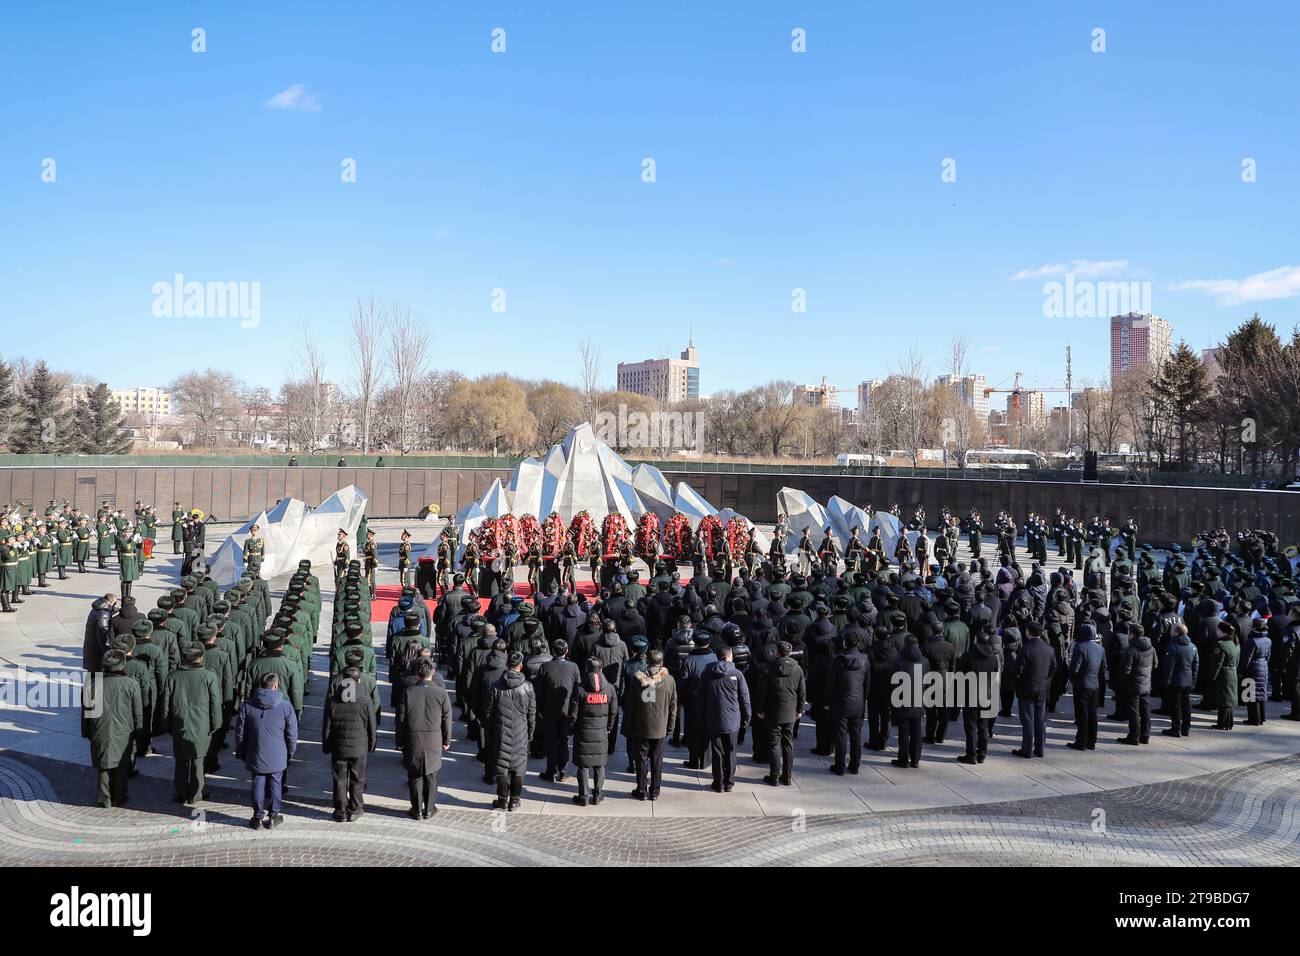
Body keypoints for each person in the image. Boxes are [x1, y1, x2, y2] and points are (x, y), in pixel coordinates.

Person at [233, 672, 299, 830]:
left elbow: (240, 733)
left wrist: (241, 751)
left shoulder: (247, 705)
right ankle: (274, 815)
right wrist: (290, 752)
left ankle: (257, 817)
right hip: (278, 753)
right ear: (276, 686)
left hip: (256, 751)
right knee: (276, 783)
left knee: (257, 782)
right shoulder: (285, 706)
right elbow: (292, 734)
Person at [159, 645, 222, 805]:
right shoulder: (209, 676)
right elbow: (215, 703)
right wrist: (216, 724)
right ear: (200, 658)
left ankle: (181, 793)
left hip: (180, 725)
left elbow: (165, 704)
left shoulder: (172, 676)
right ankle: (196, 794)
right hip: (202, 725)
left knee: (180, 761)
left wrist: (167, 725)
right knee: (198, 761)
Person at [81, 650, 142, 808]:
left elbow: (86, 714)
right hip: (123, 730)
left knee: (103, 765)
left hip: (99, 730)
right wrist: (139, 730)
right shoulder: (131, 684)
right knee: (121, 765)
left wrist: (87, 732)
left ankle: (104, 798)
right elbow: (137, 712)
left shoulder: (92, 685)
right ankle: (119, 796)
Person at [394, 658, 453, 818]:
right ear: (432, 673)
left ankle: (417, 809)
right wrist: (447, 740)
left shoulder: (408, 692)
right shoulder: (441, 693)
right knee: (431, 775)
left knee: (415, 775)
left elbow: (400, 719)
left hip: (413, 738)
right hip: (434, 738)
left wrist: (399, 741)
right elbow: (447, 718)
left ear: (418, 675)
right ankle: (429, 808)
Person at [322, 666, 377, 821]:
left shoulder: (333, 700)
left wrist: (326, 745)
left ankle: (340, 810)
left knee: (339, 779)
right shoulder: (365, 700)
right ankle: (355, 808)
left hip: (339, 746)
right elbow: (372, 725)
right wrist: (372, 744)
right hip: (359, 747)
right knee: (358, 778)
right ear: (358, 679)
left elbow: (327, 725)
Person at [484, 651, 536, 811]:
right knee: (519, 766)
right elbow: (531, 713)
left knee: (502, 765)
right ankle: (514, 799)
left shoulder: (496, 687)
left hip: (501, 730)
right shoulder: (527, 687)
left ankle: (502, 799)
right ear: (520, 666)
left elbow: (488, 713)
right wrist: (530, 733)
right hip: (520, 731)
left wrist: (489, 733)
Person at [624, 649, 677, 800]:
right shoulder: (669, 680)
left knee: (641, 760)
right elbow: (673, 706)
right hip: (660, 727)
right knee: (657, 760)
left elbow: (630, 704)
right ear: (661, 663)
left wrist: (628, 725)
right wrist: (671, 727)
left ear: (647, 662)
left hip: (640, 726)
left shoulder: (637, 679)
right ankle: (655, 791)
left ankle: (641, 790)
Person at [701, 645, 751, 792]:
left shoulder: (707, 674)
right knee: (730, 751)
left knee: (717, 752)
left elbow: (701, 697)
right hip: (733, 720)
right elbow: (745, 697)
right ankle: (729, 782)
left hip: (714, 718)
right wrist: (747, 716)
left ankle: (718, 783)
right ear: (729, 657)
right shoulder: (737, 674)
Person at [568, 658, 617, 805]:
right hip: (601, 733)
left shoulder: (580, 689)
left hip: (583, 733)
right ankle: (597, 795)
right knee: (599, 765)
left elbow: (573, 714)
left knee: (583, 766)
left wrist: (572, 729)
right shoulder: (610, 689)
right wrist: (608, 728)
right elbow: (613, 712)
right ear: (601, 669)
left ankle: (583, 797)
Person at [536, 639, 580, 782]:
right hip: (566, 712)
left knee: (551, 742)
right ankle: (563, 771)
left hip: (549, 711)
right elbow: (577, 691)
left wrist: (540, 709)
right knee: (564, 741)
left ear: (553, 651)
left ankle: (551, 771)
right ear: (566, 651)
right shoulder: (573, 667)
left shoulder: (545, 667)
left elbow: (539, 691)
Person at [1010, 622, 1055, 758]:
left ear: (1028, 632)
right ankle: (1040, 748)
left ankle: (1027, 749)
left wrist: (1018, 680)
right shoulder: (1049, 648)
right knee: (1040, 719)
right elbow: (1053, 667)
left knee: (1028, 719)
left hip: (1027, 687)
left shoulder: (1026, 649)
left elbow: (1018, 670)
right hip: (1042, 687)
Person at [828, 633, 869, 775]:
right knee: (856, 735)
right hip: (858, 701)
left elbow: (831, 684)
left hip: (841, 702)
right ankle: (855, 765)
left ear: (845, 643)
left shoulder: (838, 660)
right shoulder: (865, 660)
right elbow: (866, 683)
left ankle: (839, 766)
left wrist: (828, 701)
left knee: (841, 736)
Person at [1067, 623, 1106, 750]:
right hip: (1094, 684)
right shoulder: (1100, 648)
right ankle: (1091, 741)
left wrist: (1072, 677)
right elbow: (1103, 667)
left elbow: (1074, 668)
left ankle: (1081, 741)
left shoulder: (1080, 647)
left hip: (1081, 685)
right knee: (1092, 714)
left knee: (1082, 714)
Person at [1160, 623, 1199, 737]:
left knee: (1176, 705)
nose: (1170, 632)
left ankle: (1176, 728)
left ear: (1177, 632)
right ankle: (1185, 728)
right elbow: (1195, 666)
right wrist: (1193, 680)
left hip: (1176, 680)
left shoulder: (1172, 646)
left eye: (1172, 630)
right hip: (1188, 680)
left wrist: (1166, 682)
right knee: (1186, 705)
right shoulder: (1193, 647)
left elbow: (1169, 667)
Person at [1210, 621, 1241, 730]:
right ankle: (1229, 723)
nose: (1217, 632)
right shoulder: (1236, 643)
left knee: (1223, 701)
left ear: (1225, 633)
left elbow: (1217, 664)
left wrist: (1213, 677)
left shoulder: (1221, 645)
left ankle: (1222, 723)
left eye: (1219, 630)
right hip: (1232, 673)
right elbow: (1237, 661)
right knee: (1230, 700)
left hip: (1223, 675)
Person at [82, 593, 117, 672]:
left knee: (92, 675)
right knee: (96, 677)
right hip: (96, 652)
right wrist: (108, 651)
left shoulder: (97, 609)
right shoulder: (103, 615)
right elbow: (102, 635)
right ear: (110, 602)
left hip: (91, 648)